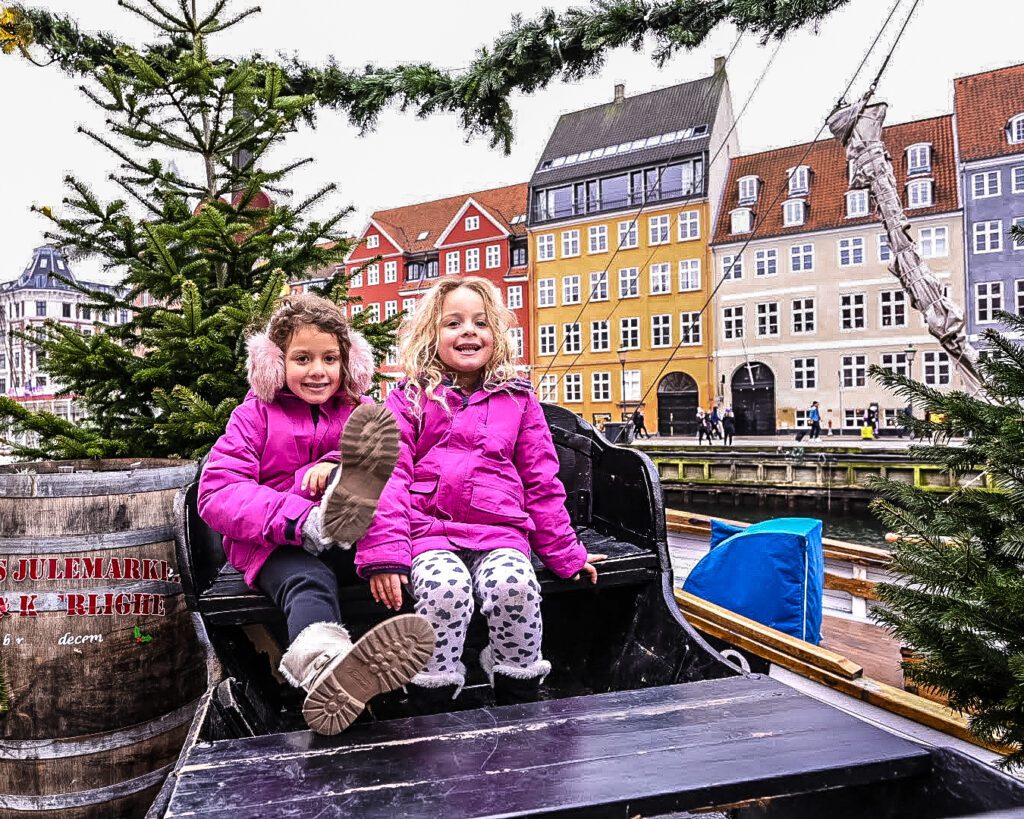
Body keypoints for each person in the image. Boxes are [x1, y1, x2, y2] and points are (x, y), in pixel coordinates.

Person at [356, 277, 604, 713]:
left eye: (481, 322)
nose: (469, 331)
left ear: (497, 336)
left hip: (499, 532)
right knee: (444, 591)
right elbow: (387, 479)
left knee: (514, 586)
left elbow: (541, 481)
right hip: (429, 532)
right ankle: (432, 693)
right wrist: (385, 556)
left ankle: (517, 686)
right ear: (432, 335)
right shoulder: (410, 400)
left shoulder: (518, 401)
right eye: (454, 322)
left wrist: (566, 554)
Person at [198, 294, 435, 735]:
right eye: (302, 358)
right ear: (276, 362)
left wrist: (384, 558)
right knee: (307, 580)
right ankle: (326, 669)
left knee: (401, 570)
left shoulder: (362, 416)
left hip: (347, 538)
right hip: (269, 542)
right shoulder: (254, 416)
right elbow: (218, 491)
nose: (317, 370)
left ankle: (397, 679)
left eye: (330, 358)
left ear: (348, 363)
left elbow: (391, 486)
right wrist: (298, 519)